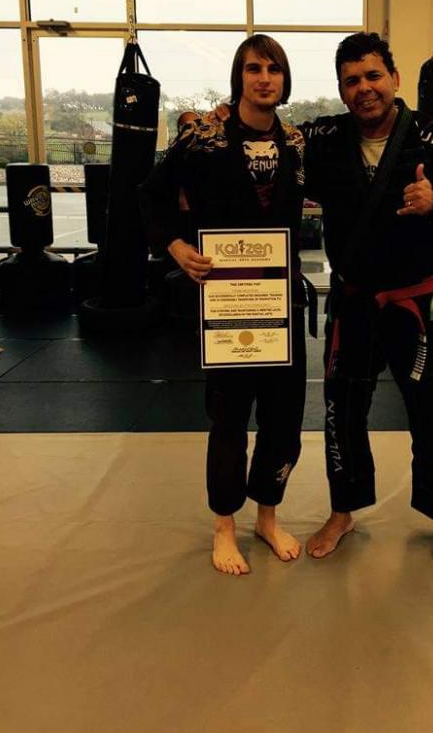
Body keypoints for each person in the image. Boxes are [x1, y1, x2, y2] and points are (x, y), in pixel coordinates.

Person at [302, 32, 433, 575]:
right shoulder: (325, 137)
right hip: (354, 302)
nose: (364, 88)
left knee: (432, 413)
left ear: (395, 78)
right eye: (352, 80)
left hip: (415, 304)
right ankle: (343, 512)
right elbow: (269, 140)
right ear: (342, 89)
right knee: (341, 411)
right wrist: (218, 117)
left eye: (373, 76)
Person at [140, 35, 308, 576]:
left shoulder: (297, 143)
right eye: (254, 68)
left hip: (280, 300)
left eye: (274, 69)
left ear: (284, 79)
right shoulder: (204, 139)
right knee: (229, 418)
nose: (264, 78)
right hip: (227, 300)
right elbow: (151, 193)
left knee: (283, 418)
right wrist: (174, 245)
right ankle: (224, 526)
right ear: (239, 78)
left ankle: (267, 517)